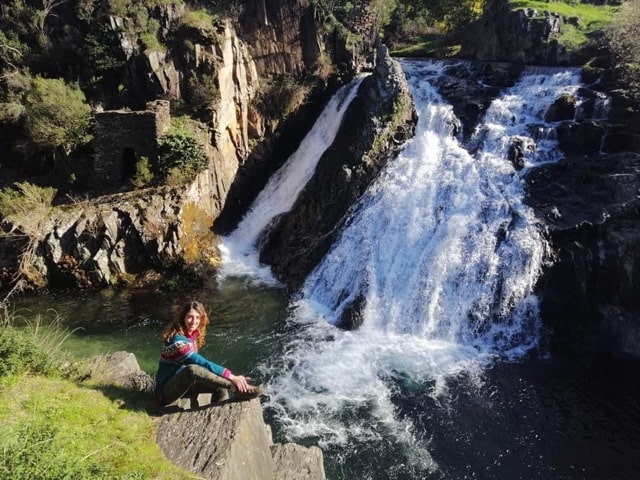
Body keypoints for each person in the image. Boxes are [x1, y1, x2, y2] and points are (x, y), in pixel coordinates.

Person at [152, 300, 262, 412]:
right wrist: (233, 378)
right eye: (190, 317)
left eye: (197, 317)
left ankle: (219, 416)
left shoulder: (190, 336)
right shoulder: (177, 342)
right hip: (165, 393)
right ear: (183, 318)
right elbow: (201, 362)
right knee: (193, 369)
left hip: (185, 385)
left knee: (219, 386)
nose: (194, 321)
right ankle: (237, 388)